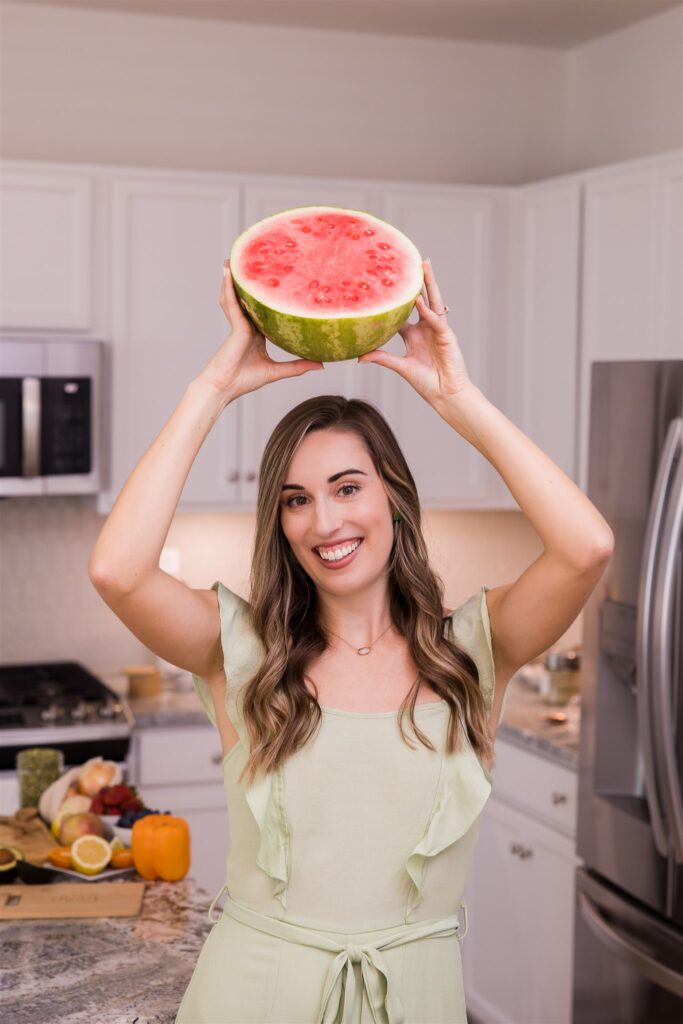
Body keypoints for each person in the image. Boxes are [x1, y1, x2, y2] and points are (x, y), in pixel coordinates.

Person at [89, 256, 614, 1023]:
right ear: (280, 521)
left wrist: (457, 400)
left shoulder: (471, 653)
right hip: (252, 995)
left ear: (392, 500)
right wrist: (212, 391)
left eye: (347, 487)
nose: (325, 522)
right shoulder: (241, 649)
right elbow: (116, 572)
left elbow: (587, 547)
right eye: (296, 500)